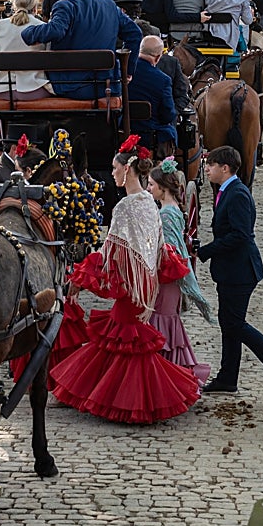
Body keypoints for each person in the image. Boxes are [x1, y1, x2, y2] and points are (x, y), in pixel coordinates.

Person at [50, 135, 202, 423]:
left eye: (114, 168)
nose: (112, 173)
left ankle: (122, 400)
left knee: (118, 344)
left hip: (131, 290)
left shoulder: (124, 208)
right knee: (116, 346)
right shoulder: (148, 202)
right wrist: (149, 293)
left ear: (128, 169)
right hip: (142, 290)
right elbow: (156, 251)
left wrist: (81, 280)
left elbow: (109, 257)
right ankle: (101, 394)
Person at [197, 145, 263, 392]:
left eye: (211, 165)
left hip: (240, 270)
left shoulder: (237, 193)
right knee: (228, 323)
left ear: (224, 168)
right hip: (231, 270)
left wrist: (206, 250)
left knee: (235, 324)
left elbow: (240, 235)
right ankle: (228, 377)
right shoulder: (227, 190)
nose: (206, 168)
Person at [20, 0, 142, 100]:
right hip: (107, 85)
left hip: (70, 86)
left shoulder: (65, 6)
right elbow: (135, 34)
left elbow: (56, 30)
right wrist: (128, 70)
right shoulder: (110, 6)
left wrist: (28, 33)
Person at [148, 157, 212, 380]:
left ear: (163, 188)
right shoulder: (172, 208)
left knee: (163, 321)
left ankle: (169, 374)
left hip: (167, 276)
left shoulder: (166, 213)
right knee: (168, 320)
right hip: (171, 276)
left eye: (151, 185)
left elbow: (170, 249)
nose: (149, 189)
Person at [131, 36, 178, 156]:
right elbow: (168, 115)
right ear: (158, 57)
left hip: (119, 131)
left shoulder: (122, 71)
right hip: (148, 137)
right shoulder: (163, 80)